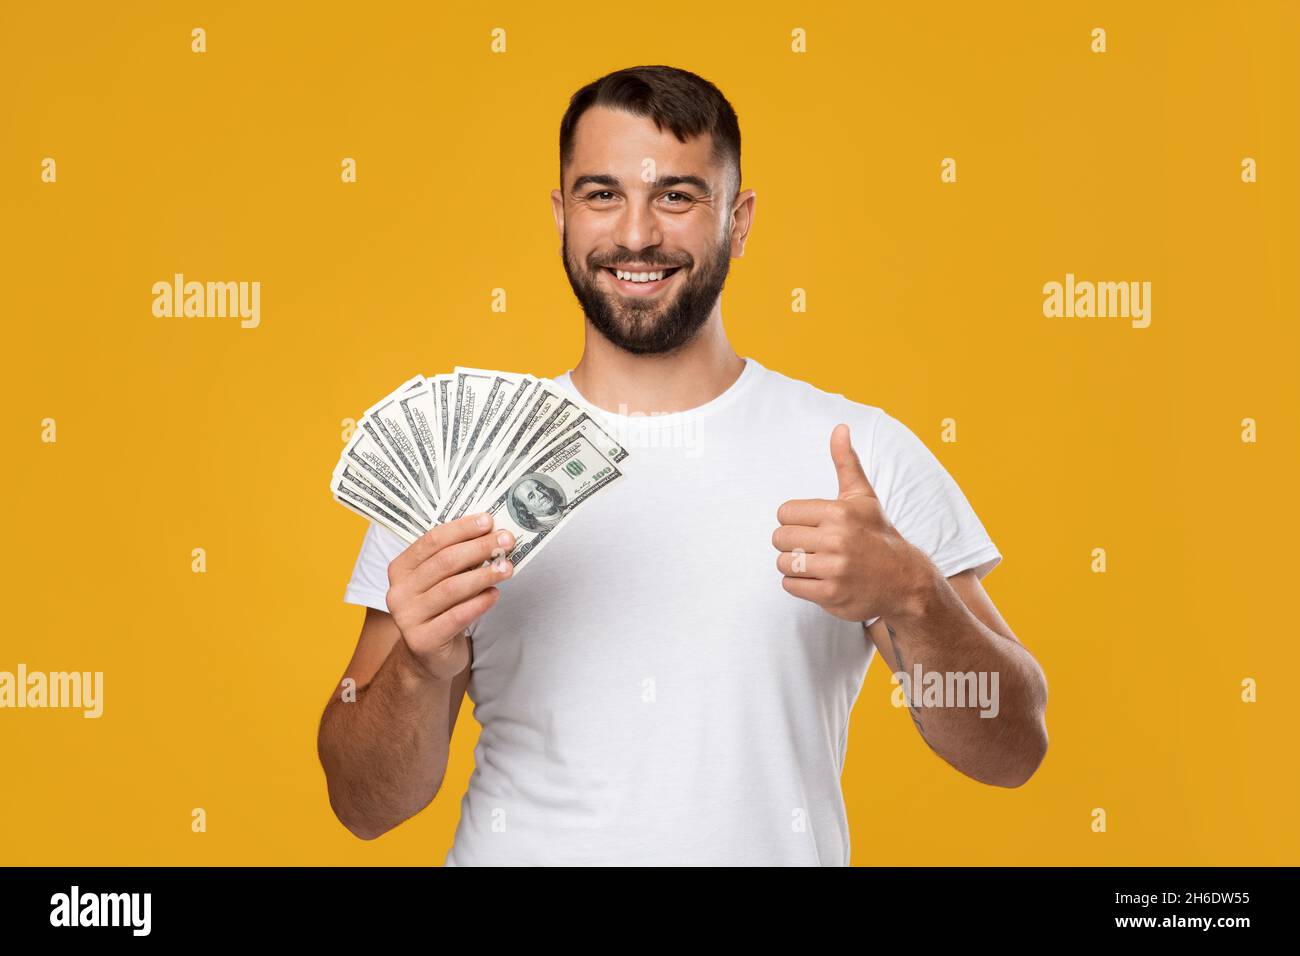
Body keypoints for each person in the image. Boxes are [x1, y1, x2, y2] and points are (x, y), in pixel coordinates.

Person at [317, 65, 1049, 866]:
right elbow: (363, 804)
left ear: (738, 220)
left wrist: (915, 596)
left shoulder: (858, 458)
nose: (636, 235)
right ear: (562, 216)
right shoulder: (463, 467)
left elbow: (1011, 749)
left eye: (676, 196)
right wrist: (420, 666)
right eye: (602, 195)